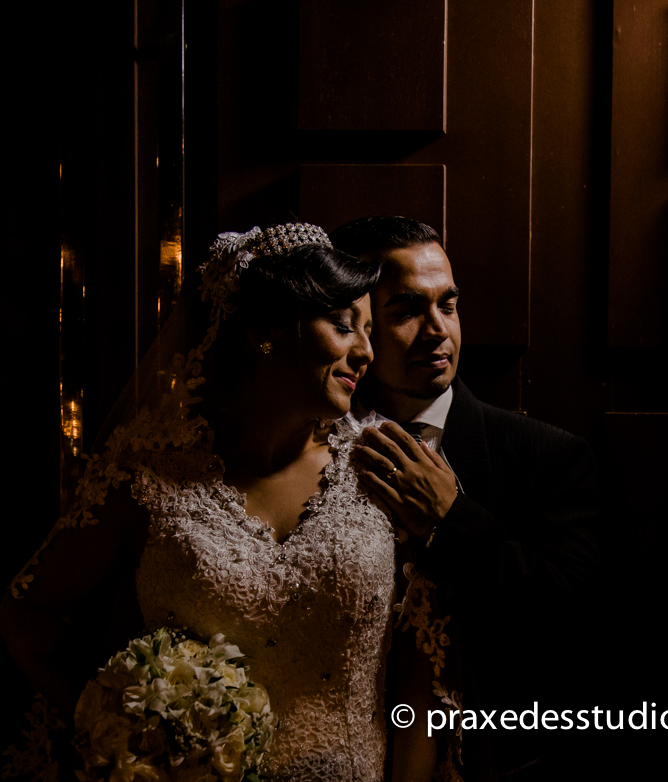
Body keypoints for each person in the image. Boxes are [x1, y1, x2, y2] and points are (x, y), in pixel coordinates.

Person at [1, 224, 458, 782]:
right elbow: (28, 612)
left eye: (368, 330)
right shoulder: (150, 479)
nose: (365, 351)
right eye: (344, 326)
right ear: (264, 331)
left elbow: (419, 669)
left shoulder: (385, 465)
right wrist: (119, 728)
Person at [328, 217, 601, 780]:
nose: (438, 331)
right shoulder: (309, 447)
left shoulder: (547, 456)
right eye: (406, 311)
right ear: (357, 322)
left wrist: (449, 519)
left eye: (448, 306)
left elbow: (573, 618)